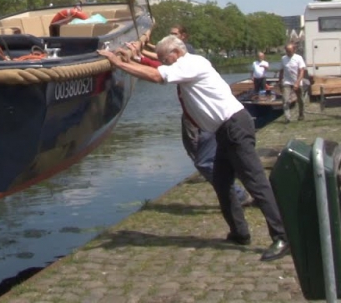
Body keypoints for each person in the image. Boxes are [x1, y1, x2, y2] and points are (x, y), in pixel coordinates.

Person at [102, 35, 289, 262]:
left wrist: (119, 63)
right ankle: (240, 232)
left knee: (256, 182)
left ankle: (282, 236)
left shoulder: (191, 64)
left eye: (165, 58)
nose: (164, 61)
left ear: (176, 53)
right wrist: (137, 56)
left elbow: (156, 75)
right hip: (224, 130)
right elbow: (157, 66)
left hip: (234, 127)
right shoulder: (185, 63)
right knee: (222, 183)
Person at [134, 28, 249, 205]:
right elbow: (162, 62)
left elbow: (161, 68)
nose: (171, 35)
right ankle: (232, 189)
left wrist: (137, 58)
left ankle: (235, 194)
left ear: (182, 39)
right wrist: (140, 55)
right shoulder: (176, 54)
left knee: (204, 159)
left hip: (204, 119)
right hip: (195, 116)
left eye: (174, 33)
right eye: (170, 33)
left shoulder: (189, 54)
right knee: (199, 153)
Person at [280, 43, 306, 123]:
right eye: (287, 51)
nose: (288, 52)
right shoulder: (283, 58)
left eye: (290, 51)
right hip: (287, 82)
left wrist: (297, 83)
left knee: (300, 99)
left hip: (297, 81)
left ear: (294, 50)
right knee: (285, 99)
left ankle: (301, 115)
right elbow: (281, 70)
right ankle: (287, 117)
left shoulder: (298, 58)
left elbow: (302, 71)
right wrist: (280, 81)